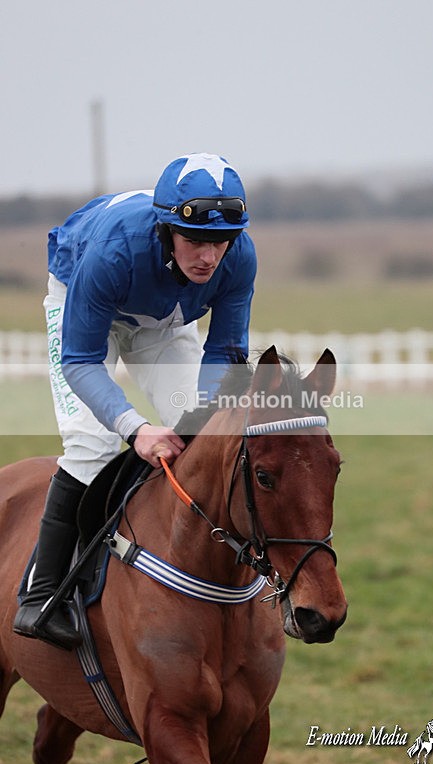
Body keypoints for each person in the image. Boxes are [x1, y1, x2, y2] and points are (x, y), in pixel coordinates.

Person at [13, 152, 256, 650]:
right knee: (94, 442)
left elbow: (226, 351)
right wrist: (134, 428)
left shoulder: (241, 256)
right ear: (167, 230)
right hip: (83, 299)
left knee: (204, 435)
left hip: (162, 318)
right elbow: (80, 360)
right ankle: (41, 593)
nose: (209, 257)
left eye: (220, 242)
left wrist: (198, 420)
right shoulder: (115, 252)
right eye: (194, 241)